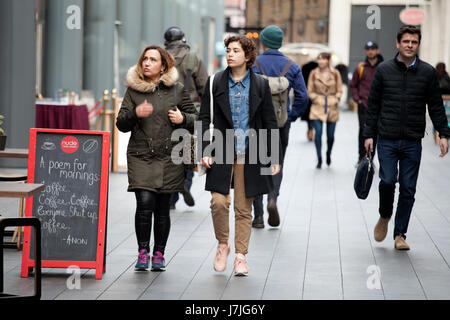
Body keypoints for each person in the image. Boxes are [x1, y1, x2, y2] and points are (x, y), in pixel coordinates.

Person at [198, 35, 281, 276]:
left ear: (247, 56)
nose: (230, 54)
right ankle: (223, 243)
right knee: (219, 202)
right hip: (221, 150)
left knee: (244, 208)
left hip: (250, 152)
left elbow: (270, 122)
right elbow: (204, 118)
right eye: (228, 50)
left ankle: (241, 256)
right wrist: (204, 150)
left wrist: (273, 156)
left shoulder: (260, 85)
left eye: (235, 50)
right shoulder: (214, 82)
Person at [364, 25, 450, 251]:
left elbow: (436, 106)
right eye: (406, 41)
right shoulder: (383, 70)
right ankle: (384, 215)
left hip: (413, 139)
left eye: (414, 42)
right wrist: (368, 135)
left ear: (418, 45)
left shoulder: (427, 72)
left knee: (409, 188)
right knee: (388, 180)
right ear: (397, 44)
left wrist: (443, 134)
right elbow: (372, 106)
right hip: (388, 138)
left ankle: (400, 234)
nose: (410, 45)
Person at [116, 45, 196, 271]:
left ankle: (159, 253)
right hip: (141, 155)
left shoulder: (176, 90)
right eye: (145, 59)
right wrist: (135, 114)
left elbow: (197, 119)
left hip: (170, 157)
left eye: (153, 60)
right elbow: (121, 124)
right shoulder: (134, 90)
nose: (147, 63)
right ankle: (143, 252)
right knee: (144, 203)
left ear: (163, 66)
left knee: (162, 208)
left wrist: (183, 118)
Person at [251, 25, 308, 229]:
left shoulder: (254, 64)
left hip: (256, 125)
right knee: (276, 163)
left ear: (264, 42)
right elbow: (303, 97)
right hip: (281, 124)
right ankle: (272, 199)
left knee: (256, 166)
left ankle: (257, 216)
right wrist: (291, 117)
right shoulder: (291, 66)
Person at [164, 26, 209, 210]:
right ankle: (185, 184)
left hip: (164, 109)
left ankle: (170, 199)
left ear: (166, 41)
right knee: (189, 152)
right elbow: (204, 88)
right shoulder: (193, 58)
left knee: (169, 153)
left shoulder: (160, 58)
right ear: (183, 39)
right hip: (190, 110)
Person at [350, 41, 384, 165]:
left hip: (380, 106)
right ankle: (361, 158)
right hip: (364, 105)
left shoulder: (383, 67)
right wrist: (357, 99)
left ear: (377, 51)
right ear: (365, 51)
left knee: (376, 132)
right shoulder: (361, 67)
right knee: (363, 131)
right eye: (368, 49)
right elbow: (353, 84)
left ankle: (371, 159)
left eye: (373, 49)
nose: (370, 51)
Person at [307, 52, 343, 169]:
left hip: (332, 105)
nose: (320, 61)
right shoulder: (313, 73)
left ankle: (328, 153)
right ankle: (319, 158)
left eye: (323, 59)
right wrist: (316, 98)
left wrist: (336, 98)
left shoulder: (336, 73)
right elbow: (310, 90)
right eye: (319, 59)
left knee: (331, 135)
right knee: (318, 133)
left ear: (328, 60)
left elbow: (339, 89)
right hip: (318, 106)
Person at [301, 60, 319, 141]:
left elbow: (301, 81)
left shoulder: (305, 67)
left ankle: (310, 130)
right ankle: (314, 130)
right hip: (318, 94)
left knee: (309, 115)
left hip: (306, 93)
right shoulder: (319, 68)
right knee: (316, 115)